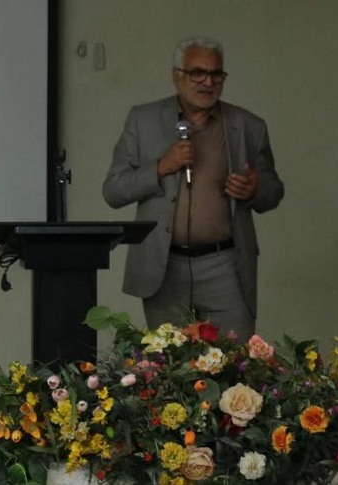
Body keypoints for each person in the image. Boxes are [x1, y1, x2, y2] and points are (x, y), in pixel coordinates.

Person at [102, 36, 284, 340]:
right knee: (167, 363)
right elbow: (113, 191)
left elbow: (274, 192)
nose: (208, 82)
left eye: (216, 74)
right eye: (197, 73)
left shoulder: (248, 125)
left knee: (237, 360)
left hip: (226, 266)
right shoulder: (142, 120)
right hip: (164, 266)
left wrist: (254, 190)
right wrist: (161, 167)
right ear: (177, 76)